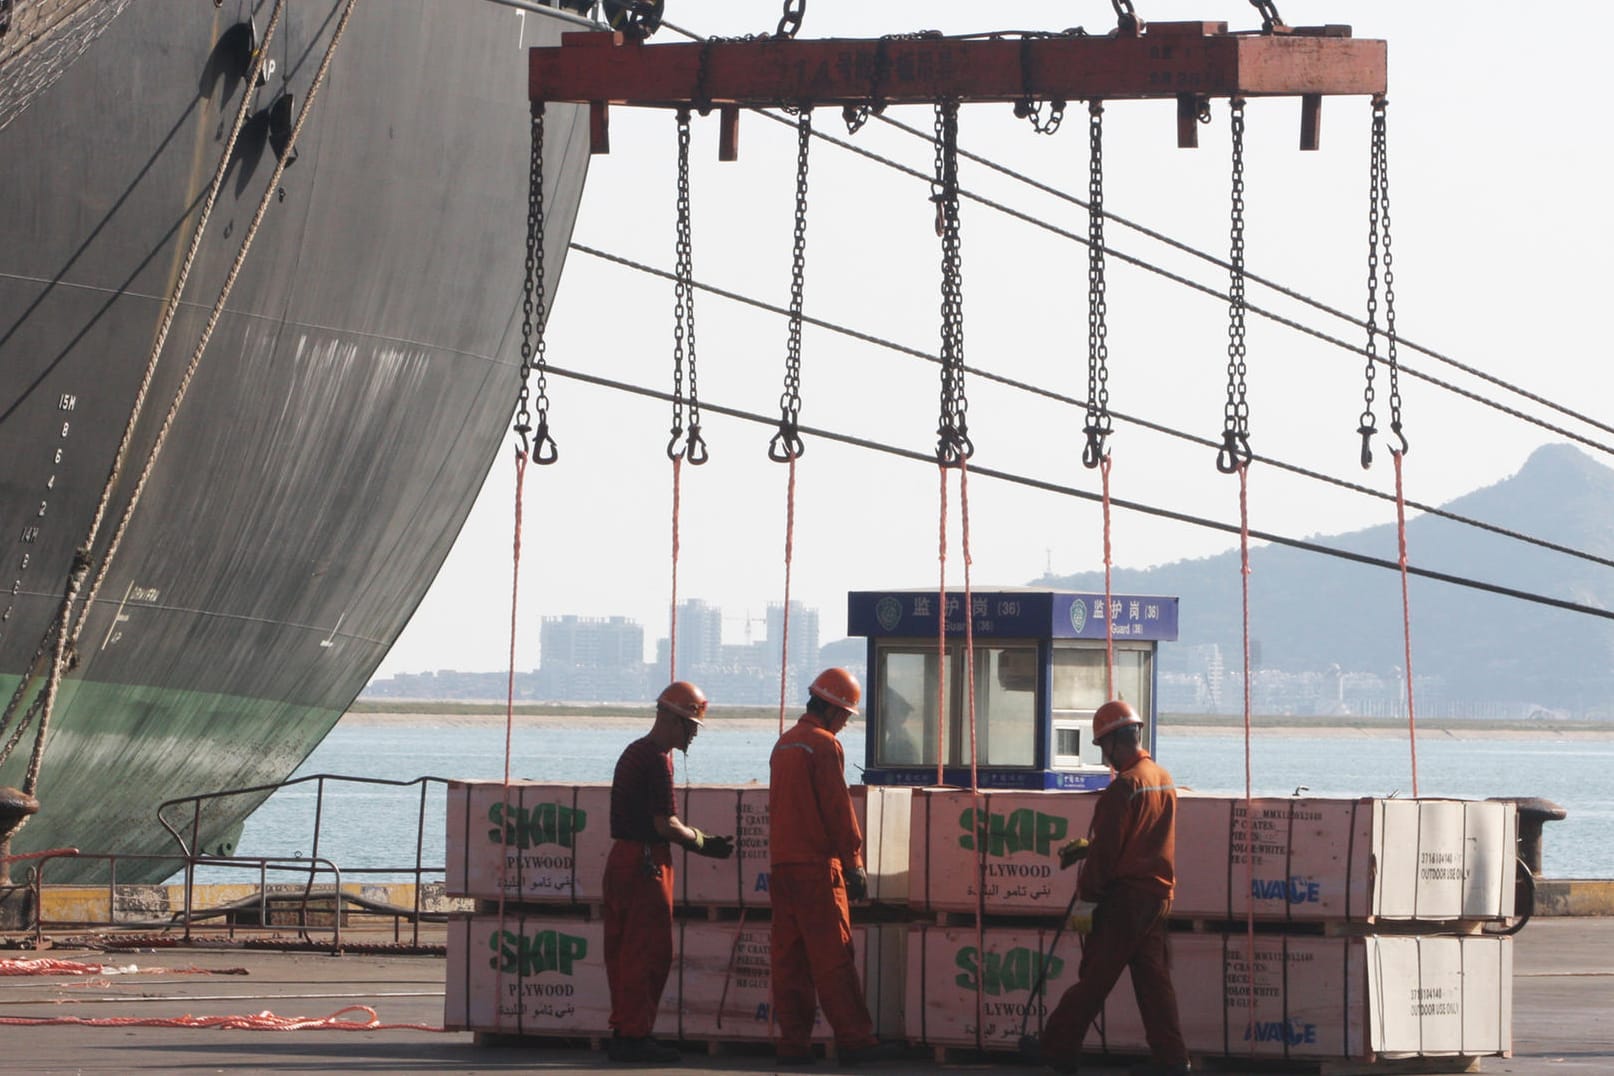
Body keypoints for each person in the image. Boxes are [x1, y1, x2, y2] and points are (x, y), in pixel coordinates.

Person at [1035, 699, 1189, 1076]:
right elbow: (1143, 837)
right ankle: (1173, 1060)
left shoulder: (1124, 787)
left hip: (1125, 901)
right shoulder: (1162, 778)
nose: (1106, 759)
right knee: (1154, 984)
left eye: (1104, 749)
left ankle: (1056, 1050)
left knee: (1094, 979)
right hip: (1157, 898)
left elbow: (1107, 852)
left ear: (1116, 743)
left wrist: (1086, 901)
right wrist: (1091, 848)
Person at [768, 667, 903, 1066]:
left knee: (789, 961)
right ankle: (855, 1041)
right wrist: (854, 863)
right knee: (833, 959)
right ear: (830, 709)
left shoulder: (785, 744)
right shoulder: (823, 745)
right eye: (845, 715)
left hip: (783, 869)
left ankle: (793, 1045)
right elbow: (838, 810)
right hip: (816, 871)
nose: (845, 723)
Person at [603, 680, 734, 1064]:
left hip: (623, 861)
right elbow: (664, 824)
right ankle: (634, 1036)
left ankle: (625, 1029)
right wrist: (701, 841)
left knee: (623, 951)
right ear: (675, 721)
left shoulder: (634, 752)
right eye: (692, 726)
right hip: (645, 863)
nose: (694, 734)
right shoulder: (657, 759)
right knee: (648, 953)